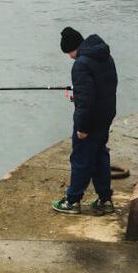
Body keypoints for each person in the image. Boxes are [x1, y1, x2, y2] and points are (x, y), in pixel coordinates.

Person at [52, 27, 118, 215]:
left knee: (81, 158)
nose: (69, 57)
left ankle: (72, 201)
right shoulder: (104, 55)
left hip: (91, 120)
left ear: (73, 48)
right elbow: (103, 88)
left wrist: (82, 126)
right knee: (99, 157)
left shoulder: (81, 64)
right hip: (106, 115)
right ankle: (105, 199)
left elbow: (87, 100)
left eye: (68, 53)